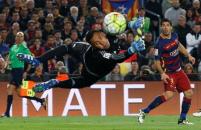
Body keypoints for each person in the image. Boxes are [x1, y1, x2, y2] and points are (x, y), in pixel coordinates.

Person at [17, 18, 145, 92]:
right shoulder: (101, 53)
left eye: (100, 37)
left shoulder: (108, 35)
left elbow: (116, 23)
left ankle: (52, 83)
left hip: (90, 72)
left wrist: (131, 24)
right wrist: (131, 50)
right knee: (67, 48)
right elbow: (116, 58)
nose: (101, 41)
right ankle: (38, 60)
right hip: (90, 62)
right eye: (97, 42)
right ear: (96, 45)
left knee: (76, 82)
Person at [137, 19, 195, 125]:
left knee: (189, 93)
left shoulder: (175, 35)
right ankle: (144, 111)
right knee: (169, 95)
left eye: (167, 25)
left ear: (171, 27)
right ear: (161, 27)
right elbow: (156, 60)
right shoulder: (158, 43)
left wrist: (188, 55)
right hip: (169, 73)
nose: (165, 27)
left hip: (179, 71)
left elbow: (179, 45)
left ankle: (182, 119)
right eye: (163, 25)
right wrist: (162, 73)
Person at [1, 32, 46, 118]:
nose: (19, 38)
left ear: (23, 39)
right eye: (18, 36)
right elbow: (9, 57)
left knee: (10, 89)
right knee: (20, 93)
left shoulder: (24, 48)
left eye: (21, 36)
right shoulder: (13, 47)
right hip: (13, 71)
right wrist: (5, 65)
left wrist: (26, 71)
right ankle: (40, 100)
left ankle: (7, 113)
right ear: (15, 38)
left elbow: (31, 58)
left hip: (19, 71)